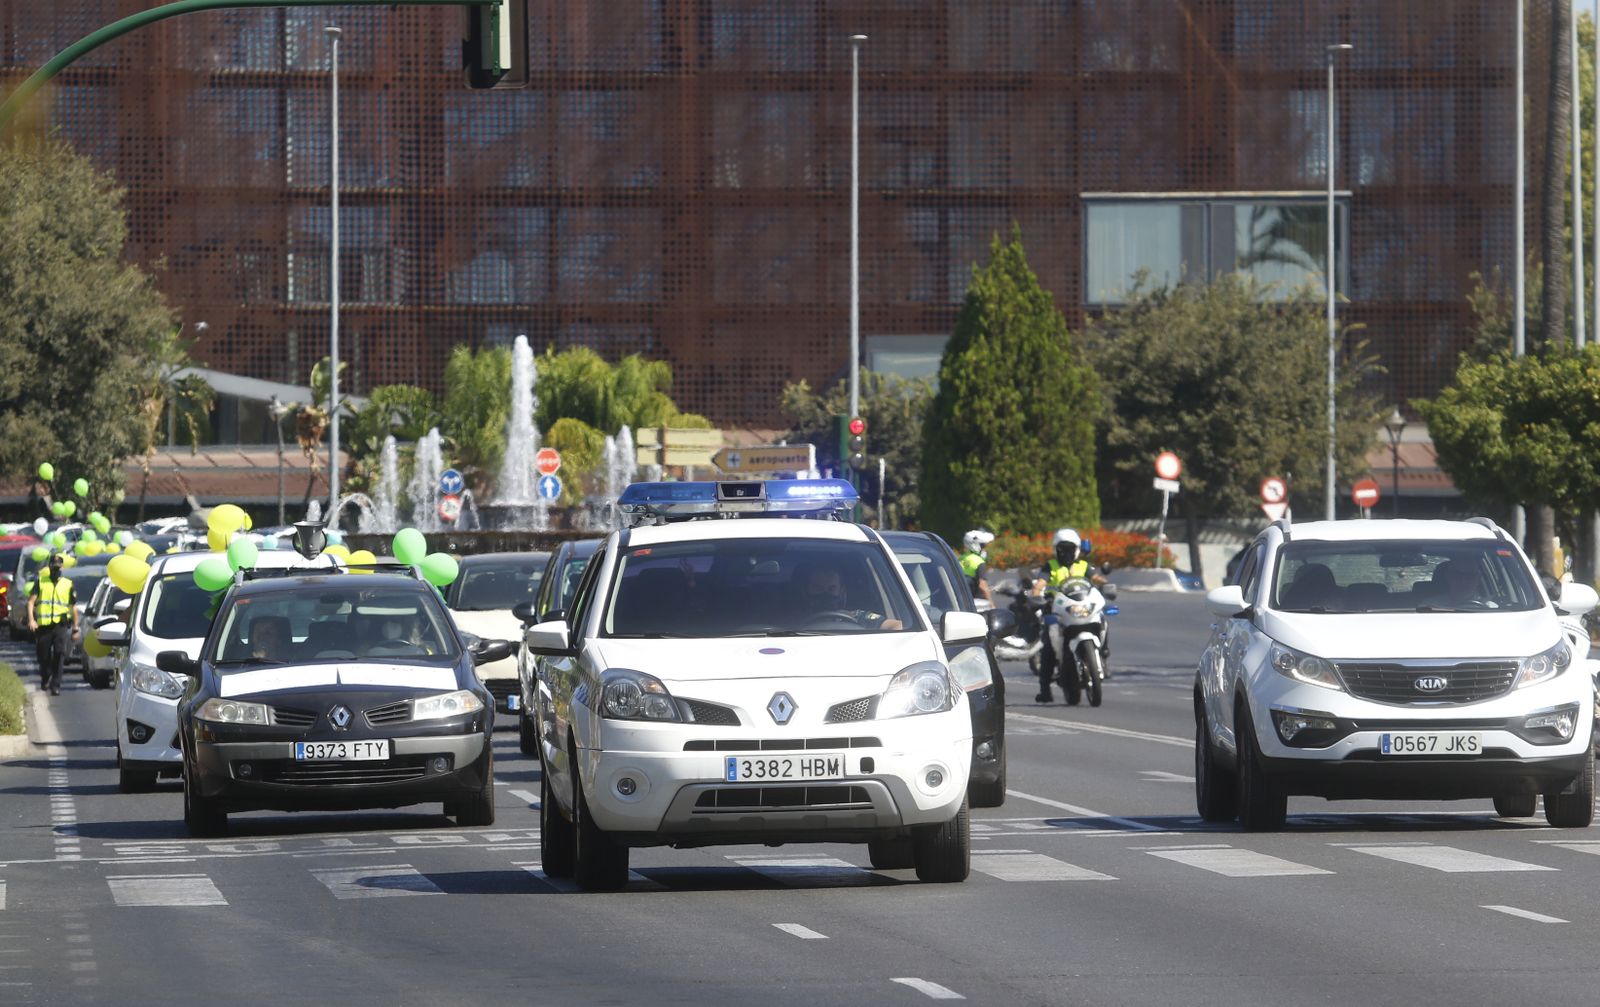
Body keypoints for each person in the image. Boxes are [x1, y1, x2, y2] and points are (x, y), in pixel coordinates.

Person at [1032, 528, 1093, 702]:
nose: (1066, 553)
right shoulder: (1050, 566)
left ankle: (1103, 653)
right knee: (1048, 647)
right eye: (1062, 549)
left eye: (1069, 549)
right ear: (1056, 550)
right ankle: (1045, 690)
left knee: (1102, 618)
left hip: (1081, 607)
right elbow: (1040, 583)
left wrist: (1105, 584)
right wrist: (1037, 594)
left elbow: (1097, 579)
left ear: (1077, 549)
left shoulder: (1083, 566)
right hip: (1057, 612)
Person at [27, 553, 78, 696]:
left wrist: (75, 627)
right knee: (43, 656)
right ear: (49, 567)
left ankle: (56, 684)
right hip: (43, 626)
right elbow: (31, 602)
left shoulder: (67, 584)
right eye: (53, 567)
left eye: (57, 568)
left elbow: (73, 607)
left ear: (61, 568)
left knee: (59, 654)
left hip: (60, 625)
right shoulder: (41, 582)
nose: (55, 570)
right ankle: (46, 675)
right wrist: (31, 620)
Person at [798, 563, 902, 631]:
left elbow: (897, 626)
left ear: (841, 591)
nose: (825, 594)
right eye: (818, 588)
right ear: (806, 590)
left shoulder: (857, 617)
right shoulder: (791, 617)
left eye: (831, 589)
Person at [960, 529, 995, 602]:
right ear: (975, 546)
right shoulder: (979, 561)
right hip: (975, 601)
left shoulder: (960, 559)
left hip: (961, 600)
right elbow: (982, 586)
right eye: (983, 546)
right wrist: (991, 604)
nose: (984, 549)